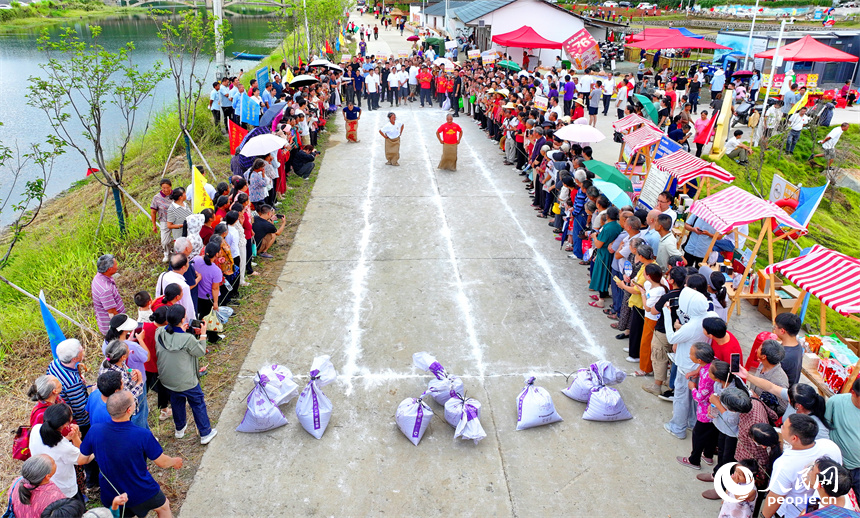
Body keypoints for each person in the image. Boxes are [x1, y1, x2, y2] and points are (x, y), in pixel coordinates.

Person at [81, 390, 182, 517]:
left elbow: (82, 460)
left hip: (112, 494)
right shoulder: (142, 435)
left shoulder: (95, 430)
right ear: (129, 410)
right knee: (163, 507)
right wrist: (174, 461)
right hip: (140, 490)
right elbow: (162, 462)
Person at [155, 305, 218, 445]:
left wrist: (180, 331)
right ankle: (205, 433)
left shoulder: (158, 332)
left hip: (167, 379)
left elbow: (172, 340)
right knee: (197, 403)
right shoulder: (188, 339)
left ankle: (179, 429)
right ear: (183, 319)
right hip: (187, 381)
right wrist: (202, 333)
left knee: (177, 401)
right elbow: (200, 351)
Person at [760, 414, 842, 518]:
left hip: (795, 512)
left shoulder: (784, 464)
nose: (781, 428)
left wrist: (764, 516)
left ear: (794, 438)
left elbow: (775, 497)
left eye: (784, 427)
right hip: (825, 507)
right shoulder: (830, 446)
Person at [28, 404, 93, 500]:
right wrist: (94, 450)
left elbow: (53, 448)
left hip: (46, 484)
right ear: (65, 425)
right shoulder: (63, 447)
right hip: (65, 489)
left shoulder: (36, 429)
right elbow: (84, 459)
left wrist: (68, 438)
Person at [676, 342, 716, 470]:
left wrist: (693, 388)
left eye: (691, 353)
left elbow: (699, 397)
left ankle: (694, 460)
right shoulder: (713, 364)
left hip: (705, 412)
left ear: (699, 360)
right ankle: (708, 455)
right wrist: (697, 371)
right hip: (716, 411)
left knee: (698, 435)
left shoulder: (706, 376)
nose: (689, 354)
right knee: (712, 433)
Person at [824, 377, 860, 501]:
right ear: (853, 393)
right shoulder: (836, 402)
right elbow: (824, 427)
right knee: (835, 499)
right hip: (840, 464)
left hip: (859, 469)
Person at [99, 339, 148, 429]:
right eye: (128, 350)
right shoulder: (119, 379)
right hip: (121, 407)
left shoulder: (108, 361)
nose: (129, 351)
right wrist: (139, 382)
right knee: (137, 420)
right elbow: (128, 397)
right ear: (123, 357)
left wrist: (130, 372)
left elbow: (124, 368)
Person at [91, 254, 125, 336]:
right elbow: (112, 312)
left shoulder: (99, 277)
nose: (117, 266)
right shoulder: (105, 290)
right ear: (110, 269)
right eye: (116, 264)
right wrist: (123, 325)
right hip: (112, 327)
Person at [150, 179, 173, 262]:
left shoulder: (175, 194)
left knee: (179, 238)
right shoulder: (157, 198)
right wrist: (154, 225)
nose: (166, 190)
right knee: (165, 241)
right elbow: (153, 212)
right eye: (163, 188)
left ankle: (179, 253)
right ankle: (167, 253)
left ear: (171, 186)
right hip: (164, 220)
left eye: (167, 187)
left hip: (176, 219)